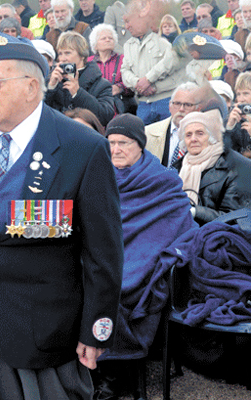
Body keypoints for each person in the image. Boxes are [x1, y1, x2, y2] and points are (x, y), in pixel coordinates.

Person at [0, 31, 123, 400]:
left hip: (48, 332)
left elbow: (103, 253)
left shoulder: (82, 147)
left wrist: (95, 328)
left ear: (30, 87)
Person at [93, 113, 197, 400]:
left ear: (141, 145)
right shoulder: (98, 175)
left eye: (123, 143)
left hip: (143, 264)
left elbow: (178, 227)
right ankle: (87, 365)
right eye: (111, 142)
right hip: (102, 258)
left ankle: (111, 375)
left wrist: (144, 261)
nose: (115, 150)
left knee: (113, 291)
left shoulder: (161, 181)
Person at [121, 0, 188, 124]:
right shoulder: (128, 46)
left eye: (128, 21)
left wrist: (149, 81)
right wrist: (138, 84)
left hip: (166, 101)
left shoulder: (163, 41)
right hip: (143, 104)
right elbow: (124, 71)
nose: (126, 26)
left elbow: (173, 66)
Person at [176, 109, 243, 225]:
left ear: (211, 137)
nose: (193, 139)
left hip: (215, 238)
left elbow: (234, 218)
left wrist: (195, 211)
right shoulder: (176, 168)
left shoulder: (231, 169)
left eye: (200, 133)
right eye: (188, 135)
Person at [45, 31, 115, 126]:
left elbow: (105, 116)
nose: (62, 59)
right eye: (60, 54)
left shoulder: (101, 84)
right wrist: (50, 87)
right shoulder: (53, 80)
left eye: (67, 53)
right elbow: (38, 112)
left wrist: (78, 94)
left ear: (82, 55)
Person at [145, 82, 201, 168]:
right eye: (177, 104)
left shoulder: (206, 136)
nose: (181, 109)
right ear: (170, 106)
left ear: (198, 109)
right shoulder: (148, 133)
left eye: (188, 105)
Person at [88, 23, 136, 114]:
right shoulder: (88, 62)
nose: (108, 40)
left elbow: (133, 82)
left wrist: (120, 87)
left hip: (119, 110)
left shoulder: (123, 59)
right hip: (95, 110)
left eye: (110, 38)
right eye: (103, 38)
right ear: (95, 45)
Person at [226, 71, 251, 156]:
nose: (241, 99)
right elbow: (224, 152)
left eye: (246, 93)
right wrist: (229, 127)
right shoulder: (233, 118)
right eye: (238, 94)